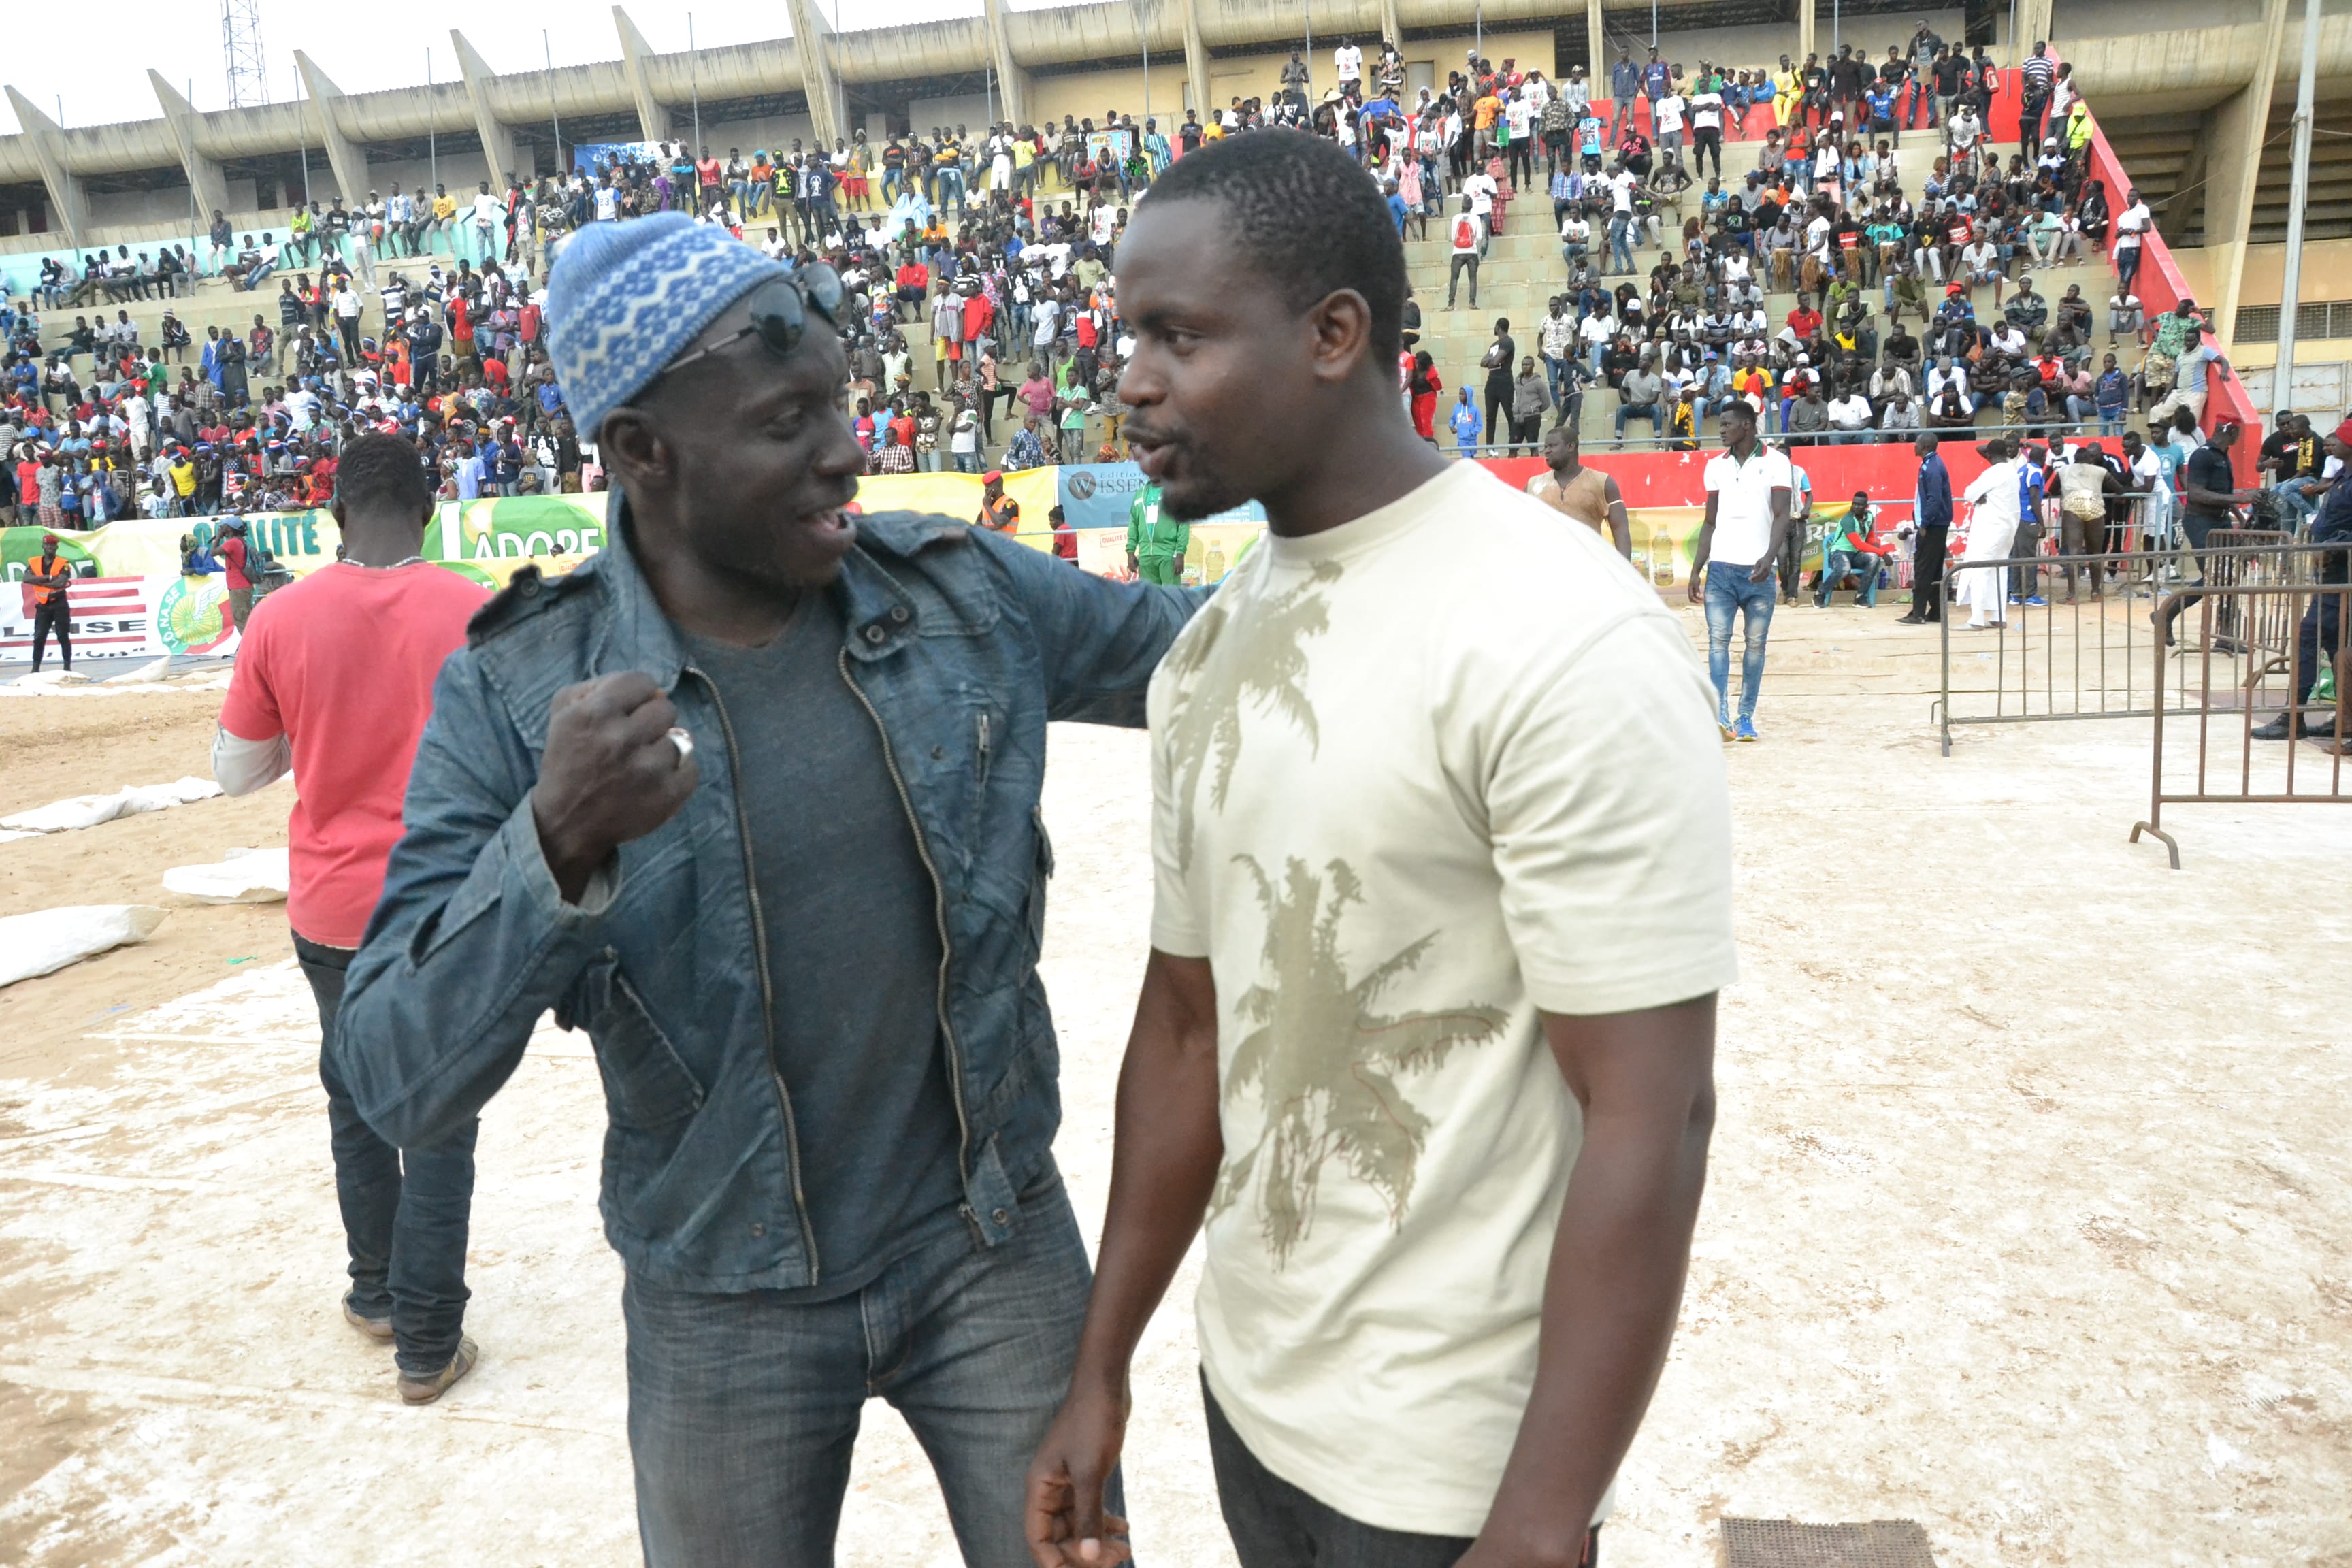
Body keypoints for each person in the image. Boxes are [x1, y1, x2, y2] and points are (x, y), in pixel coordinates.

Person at [331, 212, 1196, 1567]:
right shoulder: (513, 695)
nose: (847, 448)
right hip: (718, 1293)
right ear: (641, 453)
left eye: (841, 402)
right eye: (790, 419)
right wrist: (551, 840)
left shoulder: (963, 600)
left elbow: (1207, 657)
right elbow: (392, 1076)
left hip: (992, 1241)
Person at [1024, 126, 1735, 1568]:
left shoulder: (1557, 631)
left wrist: (1538, 1527)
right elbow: (1184, 1033)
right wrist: (1104, 1366)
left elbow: (1653, 1116)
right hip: (1256, 1401)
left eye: (1176, 333)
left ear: (1334, 333)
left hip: (1451, 1480)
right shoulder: (1210, 652)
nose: (1130, 379)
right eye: (1121, 336)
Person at [211, 435, 493, 1403]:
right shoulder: (476, 612)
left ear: (334, 517)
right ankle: (428, 1343)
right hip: (446, 909)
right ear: (427, 512)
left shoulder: (281, 618)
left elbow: (235, 772)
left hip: (331, 914)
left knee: (358, 1103)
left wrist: (323, 729)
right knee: (442, 1121)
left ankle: (376, 1295)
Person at [1688, 399, 1793, 740]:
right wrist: (1696, 569)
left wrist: (1769, 556)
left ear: (1746, 425)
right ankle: (1721, 716)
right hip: (1720, 570)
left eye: (1726, 425)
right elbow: (1709, 521)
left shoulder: (1778, 462)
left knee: (1755, 645)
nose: (1720, 430)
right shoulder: (1715, 467)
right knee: (1718, 642)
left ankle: (1746, 717)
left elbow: (1782, 515)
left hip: (1758, 572)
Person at [2253, 419, 2352, 741]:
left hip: (2341, 576)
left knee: (2310, 636)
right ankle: (2344, 717)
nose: (2333, 441)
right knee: (2334, 646)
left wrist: (2333, 547)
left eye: (2341, 438)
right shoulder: (2343, 476)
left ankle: (2293, 716)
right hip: (2331, 575)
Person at [2154, 419, 2261, 647]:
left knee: (2229, 577)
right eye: (2237, 432)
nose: (2238, 436)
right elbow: (2197, 493)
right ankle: (2167, 613)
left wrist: (2240, 518)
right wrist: (2240, 500)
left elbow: (2223, 492)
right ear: (2231, 431)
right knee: (2216, 577)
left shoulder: (2223, 455)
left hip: (2220, 522)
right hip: (2200, 522)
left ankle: (2224, 635)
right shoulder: (2202, 455)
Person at [1525, 421, 1633, 556]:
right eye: (1545, 447)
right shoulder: (1532, 485)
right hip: (1546, 570)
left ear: (1571, 446)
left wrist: (1623, 573)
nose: (1547, 451)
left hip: (1589, 568)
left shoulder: (1603, 482)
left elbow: (1620, 531)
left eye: (1552, 446)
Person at [1955, 436, 2029, 630]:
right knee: (1999, 571)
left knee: (1979, 571)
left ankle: (1976, 619)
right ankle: (1999, 616)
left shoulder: (1992, 473)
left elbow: (1969, 493)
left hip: (1990, 530)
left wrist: (1980, 495)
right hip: (2007, 531)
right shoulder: (2013, 472)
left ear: (1989, 455)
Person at [1897, 434, 1954, 623]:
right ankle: (1936, 611)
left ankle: (1918, 612)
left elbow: (1934, 499)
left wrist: (1925, 523)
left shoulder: (1933, 468)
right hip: (1937, 523)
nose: (1914, 446)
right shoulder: (1931, 465)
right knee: (1935, 569)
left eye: (1917, 443)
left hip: (1933, 525)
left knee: (1923, 568)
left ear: (1924, 446)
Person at [1814, 491, 1891, 606]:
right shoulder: (1848, 520)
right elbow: (1858, 544)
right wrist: (1883, 553)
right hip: (1839, 553)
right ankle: (1820, 593)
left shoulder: (1869, 516)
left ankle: (1860, 597)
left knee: (1874, 559)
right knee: (1844, 568)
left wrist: (1873, 545)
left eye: (1859, 505)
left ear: (1866, 506)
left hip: (1856, 555)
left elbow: (1869, 534)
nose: (1855, 507)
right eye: (1854, 504)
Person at [25, 533, 74, 674]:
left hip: (59, 604)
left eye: (53, 546)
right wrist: (49, 578)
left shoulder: (63, 563)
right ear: (43, 547)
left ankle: (67, 667)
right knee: (39, 637)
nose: (50, 548)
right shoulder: (34, 562)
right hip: (43, 605)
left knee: (63, 636)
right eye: (47, 545)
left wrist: (39, 581)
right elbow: (27, 578)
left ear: (57, 547)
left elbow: (62, 582)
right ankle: (35, 669)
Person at [1125, 478, 1190, 583]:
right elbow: (1133, 524)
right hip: (1145, 557)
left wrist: (1180, 554)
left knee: (1172, 597)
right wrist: (1130, 552)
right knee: (1150, 597)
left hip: (1168, 555)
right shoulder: (1139, 494)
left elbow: (1183, 525)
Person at [977, 467, 1021, 533]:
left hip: (1004, 542)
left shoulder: (1010, 503)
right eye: (985, 487)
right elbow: (976, 527)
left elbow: (1000, 523)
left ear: (998, 486)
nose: (986, 490)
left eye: (989, 487)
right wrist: (993, 528)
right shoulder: (988, 503)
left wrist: (988, 507)